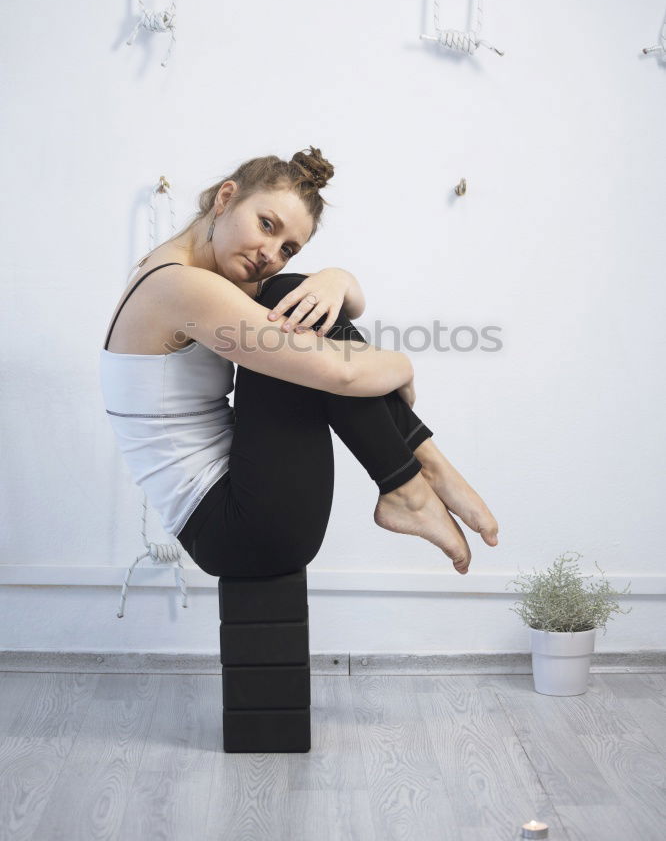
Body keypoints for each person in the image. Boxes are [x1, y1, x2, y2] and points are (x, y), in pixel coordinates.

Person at [99, 146, 498, 578]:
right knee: (289, 301)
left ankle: (417, 478)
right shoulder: (181, 287)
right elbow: (341, 373)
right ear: (226, 197)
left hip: (241, 516)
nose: (270, 253)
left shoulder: (170, 267)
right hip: (242, 530)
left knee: (292, 295)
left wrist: (335, 278)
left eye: (288, 248)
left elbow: (352, 307)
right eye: (266, 225)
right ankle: (416, 477)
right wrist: (403, 364)